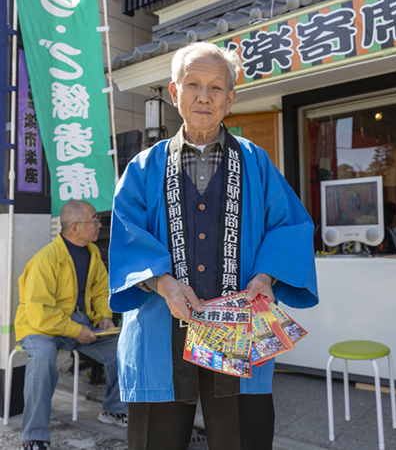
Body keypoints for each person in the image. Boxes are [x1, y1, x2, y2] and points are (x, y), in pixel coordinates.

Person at [109, 42, 319, 450]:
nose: (204, 96)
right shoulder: (143, 168)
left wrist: (265, 275)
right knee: (156, 439)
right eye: (193, 84)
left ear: (230, 99)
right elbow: (126, 233)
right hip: (160, 326)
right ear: (174, 92)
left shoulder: (257, 163)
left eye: (216, 87)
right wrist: (164, 283)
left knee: (243, 437)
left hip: (238, 324)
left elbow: (289, 225)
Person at [15, 200, 127, 450]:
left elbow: (100, 289)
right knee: (43, 358)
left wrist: (104, 316)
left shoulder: (92, 252)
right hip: (39, 328)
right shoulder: (45, 259)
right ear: (75, 228)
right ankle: (34, 436)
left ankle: (113, 409)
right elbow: (39, 313)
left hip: (80, 324)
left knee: (122, 347)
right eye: (95, 220)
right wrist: (77, 330)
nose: (100, 225)